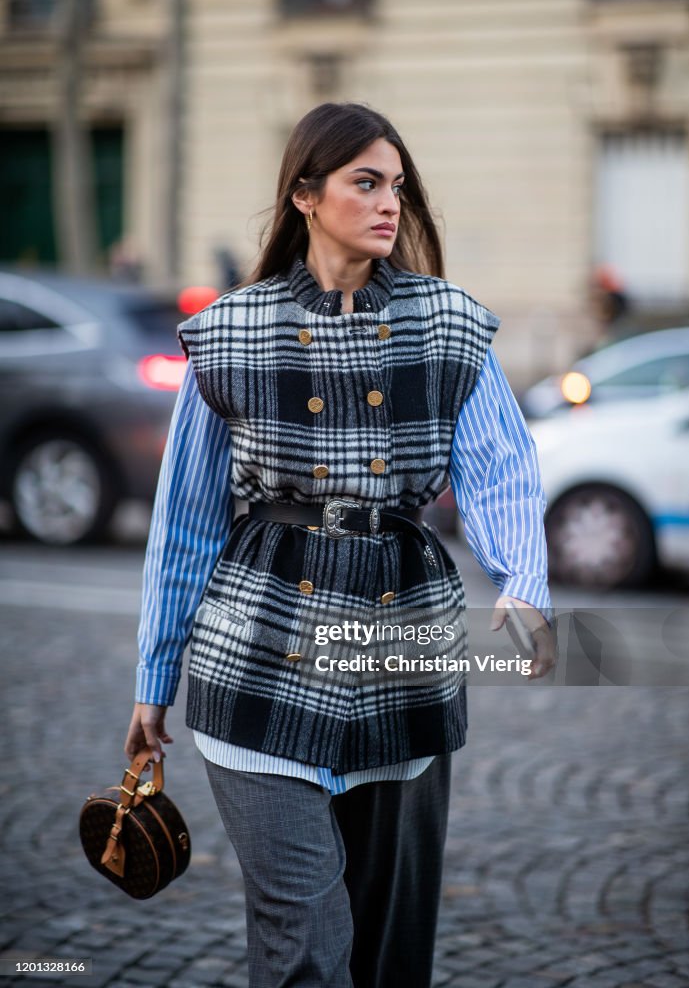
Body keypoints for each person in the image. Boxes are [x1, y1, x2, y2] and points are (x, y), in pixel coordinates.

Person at [125, 102, 556, 988]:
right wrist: (153, 680)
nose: (389, 202)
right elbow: (187, 525)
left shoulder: (449, 324)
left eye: (397, 185)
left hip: (402, 658)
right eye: (366, 182)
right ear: (305, 196)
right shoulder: (233, 333)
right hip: (254, 663)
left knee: (390, 952)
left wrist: (523, 583)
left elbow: (501, 473)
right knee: (307, 953)